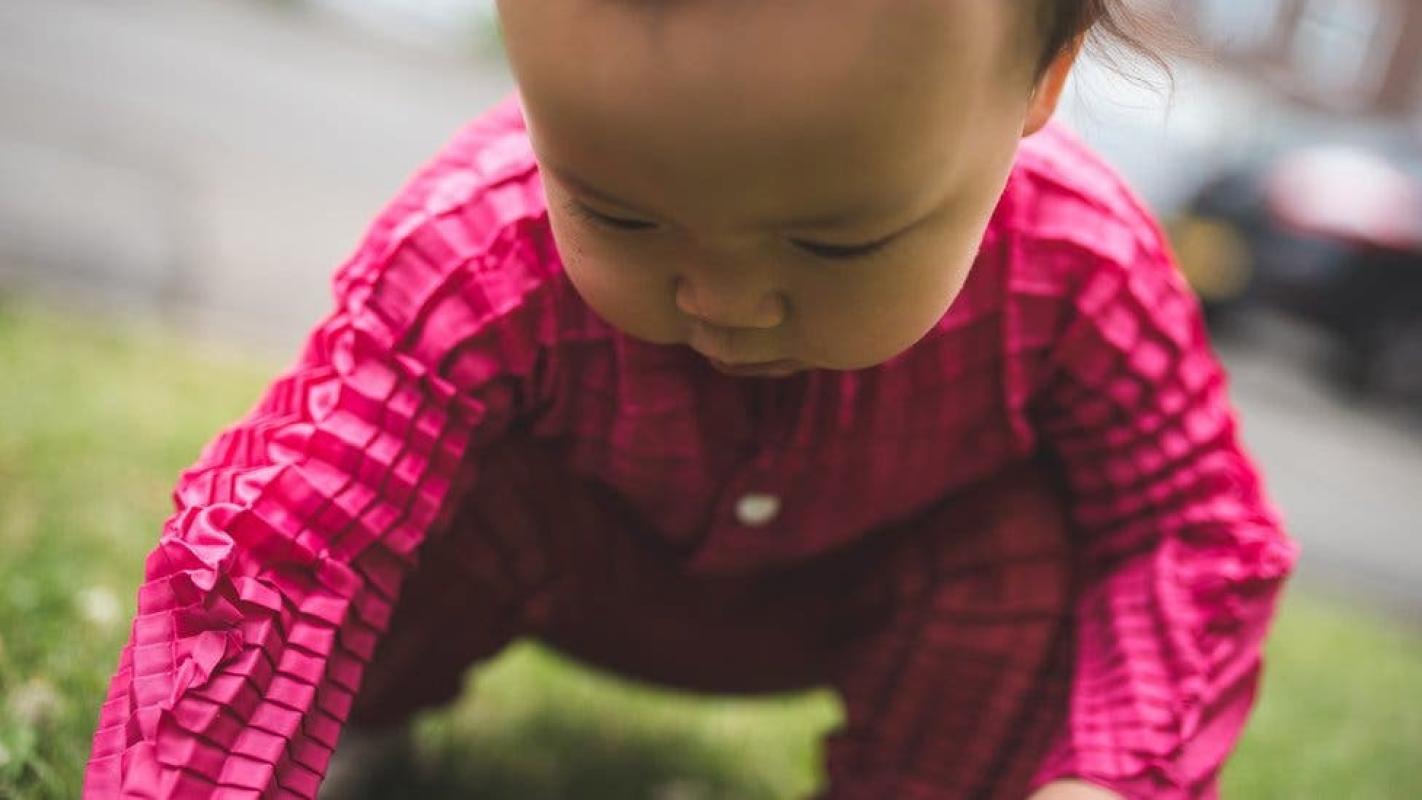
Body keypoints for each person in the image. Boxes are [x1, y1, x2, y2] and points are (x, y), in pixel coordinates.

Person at [84, 1, 1298, 798]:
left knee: (1022, 538)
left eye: (833, 242)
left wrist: (1117, 774)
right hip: (566, 555)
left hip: (877, 600)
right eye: (620, 212)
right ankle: (361, 722)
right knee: (383, 478)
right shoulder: (478, 242)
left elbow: (1192, 529)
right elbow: (284, 544)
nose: (725, 301)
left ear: (1040, 82)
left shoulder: (1085, 270)